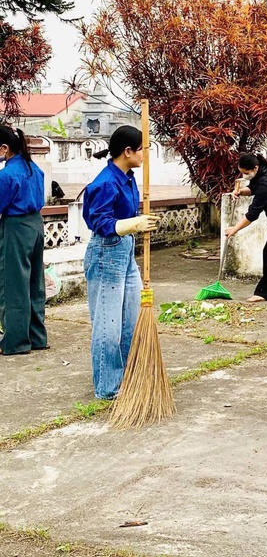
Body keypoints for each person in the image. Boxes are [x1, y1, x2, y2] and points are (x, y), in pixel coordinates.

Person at [82, 125, 159, 400]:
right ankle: (108, 387)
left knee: (130, 321)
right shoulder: (105, 182)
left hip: (125, 251)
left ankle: (129, 377)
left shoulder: (127, 178)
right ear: (128, 152)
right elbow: (100, 222)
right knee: (108, 325)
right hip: (106, 252)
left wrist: (137, 226)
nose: (145, 156)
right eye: (143, 150)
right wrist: (132, 224)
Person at [0, 125, 47, 356]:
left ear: (4, 148)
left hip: (17, 227)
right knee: (35, 283)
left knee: (14, 285)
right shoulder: (34, 169)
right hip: (37, 225)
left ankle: (16, 341)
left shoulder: (7, 175)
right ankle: (37, 336)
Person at [225, 152, 267, 302]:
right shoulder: (264, 173)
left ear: (255, 168)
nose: (244, 176)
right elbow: (253, 188)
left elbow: (253, 214)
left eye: (246, 173)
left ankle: (264, 293)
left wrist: (234, 229)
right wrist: (240, 191)